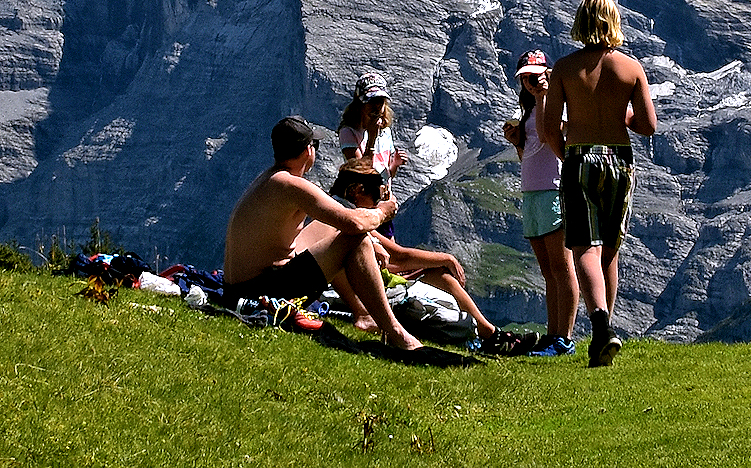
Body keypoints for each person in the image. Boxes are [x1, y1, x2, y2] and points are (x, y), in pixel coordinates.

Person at [222, 116, 422, 353]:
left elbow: (340, 223)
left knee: (327, 227)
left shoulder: (270, 178)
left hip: (237, 289)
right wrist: (381, 212)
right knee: (354, 239)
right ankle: (396, 333)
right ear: (308, 150)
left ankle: (364, 313)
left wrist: (369, 237)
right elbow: (354, 223)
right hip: (259, 293)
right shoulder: (291, 185)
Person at [543, 0, 657, 368]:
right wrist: (620, 116)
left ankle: (601, 326)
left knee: (584, 249)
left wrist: (570, 156)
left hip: (580, 159)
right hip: (620, 161)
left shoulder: (563, 69)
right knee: (610, 249)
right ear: (614, 22)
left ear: (580, 22)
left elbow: (548, 130)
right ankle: (601, 342)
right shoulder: (630, 68)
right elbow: (648, 126)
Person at [328, 158, 537, 356]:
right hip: (373, 292)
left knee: (438, 275)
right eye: (376, 192)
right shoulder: (353, 220)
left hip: (382, 282)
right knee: (443, 274)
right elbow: (399, 257)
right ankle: (491, 335)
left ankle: (490, 333)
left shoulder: (350, 217)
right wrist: (447, 258)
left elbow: (384, 264)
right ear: (357, 192)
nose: (380, 199)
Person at [503, 49, 580, 357]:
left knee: (563, 267)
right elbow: (529, 156)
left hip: (552, 190)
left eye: (535, 76)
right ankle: (552, 334)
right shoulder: (530, 110)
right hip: (532, 193)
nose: (531, 83)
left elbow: (556, 135)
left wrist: (546, 93)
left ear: (547, 73)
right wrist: (517, 141)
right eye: (526, 79)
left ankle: (565, 337)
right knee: (548, 271)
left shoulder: (555, 105)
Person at [337, 71, 407, 192]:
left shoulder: (385, 131)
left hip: (383, 197)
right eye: (371, 101)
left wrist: (395, 164)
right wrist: (372, 138)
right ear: (359, 104)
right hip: (362, 199)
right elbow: (361, 173)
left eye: (380, 101)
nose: (376, 106)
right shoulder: (348, 132)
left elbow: (387, 174)